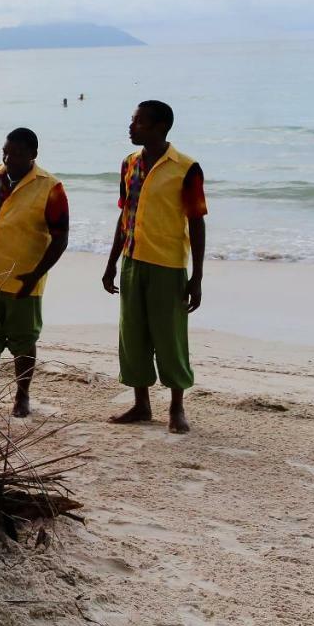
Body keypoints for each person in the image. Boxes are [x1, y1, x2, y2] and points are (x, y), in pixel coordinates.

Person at [101, 100, 207, 434]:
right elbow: (125, 214)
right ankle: (141, 404)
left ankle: (177, 408)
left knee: (170, 337)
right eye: (133, 121)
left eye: (138, 122)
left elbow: (197, 222)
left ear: (160, 127)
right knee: (132, 335)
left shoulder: (186, 168)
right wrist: (111, 263)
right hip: (133, 261)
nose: (131, 127)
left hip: (168, 264)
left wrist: (197, 276)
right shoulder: (129, 164)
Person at [0, 128, 69, 417]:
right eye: (5, 152)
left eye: (18, 154)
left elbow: (61, 238)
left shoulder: (51, 187)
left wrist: (36, 275)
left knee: (24, 343)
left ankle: (22, 397)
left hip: (25, 281)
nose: (9, 159)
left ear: (33, 155)